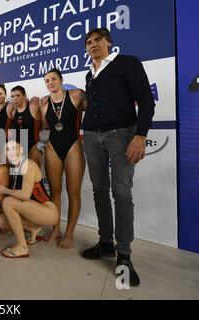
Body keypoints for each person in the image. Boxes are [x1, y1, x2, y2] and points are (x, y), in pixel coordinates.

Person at [80, 28, 155, 286]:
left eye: (97, 40)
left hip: (122, 134)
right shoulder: (89, 74)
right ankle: (105, 243)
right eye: (88, 43)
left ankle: (124, 255)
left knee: (121, 192)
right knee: (99, 190)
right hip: (91, 136)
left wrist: (140, 135)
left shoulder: (127, 63)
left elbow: (146, 101)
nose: (92, 45)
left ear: (108, 42)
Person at [38, 68, 87, 249]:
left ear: (61, 79)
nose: (50, 83)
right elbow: (43, 126)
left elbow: (93, 107)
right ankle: (56, 229)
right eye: (47, 81)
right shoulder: (44, 104)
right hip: (52, 147)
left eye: (53, 79)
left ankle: (69, 234)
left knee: (73, 193)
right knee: (55, 191)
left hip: (73, 146)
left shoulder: (76, 95)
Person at [0, 140, 59, 258]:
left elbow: (25, 195)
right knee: (2, 221)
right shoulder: (15, 168)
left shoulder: (28, 164)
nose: (11, 153)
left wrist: (5, 190)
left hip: (48, 211)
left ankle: (22, 247)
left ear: (22, 150)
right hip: (34, 211)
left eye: (15, 148)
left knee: (8, 202)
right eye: (7, 150)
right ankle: (34, 228)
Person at [9, 86, 41, 165]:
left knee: (32, 173)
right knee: (20, 174)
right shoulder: (13, 112)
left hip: (33, 145)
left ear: (24, 96)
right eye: (13, 96)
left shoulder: (33, 107)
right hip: (19, 147)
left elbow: (43, 125)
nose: (15, 98)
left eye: (18, 95)